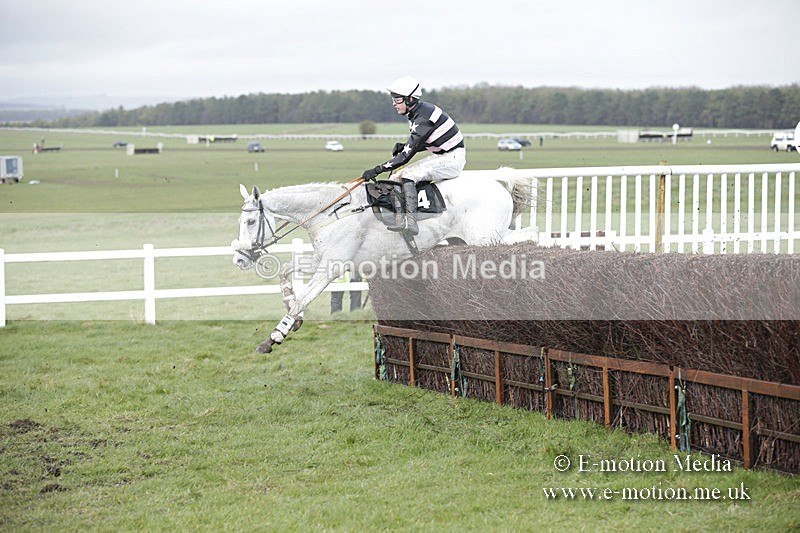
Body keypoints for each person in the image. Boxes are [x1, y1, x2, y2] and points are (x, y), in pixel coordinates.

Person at [361, 76, 466, 235]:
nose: (394, 104)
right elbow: (429, 141)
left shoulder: (423, 117)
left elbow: (405, 157)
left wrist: (377, 169)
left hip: (452, 159)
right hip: (443, 155)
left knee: (409, 175)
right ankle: (399, 219)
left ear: (410, 99)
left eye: (397, 100)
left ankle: (411, 222)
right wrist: (406, 146)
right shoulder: (417, 112)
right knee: (396, 176)